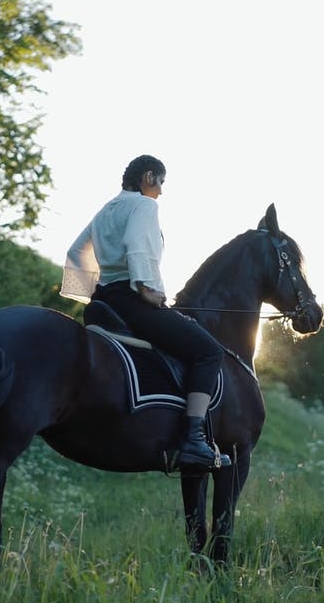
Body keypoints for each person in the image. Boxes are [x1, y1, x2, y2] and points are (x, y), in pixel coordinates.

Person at [61, 154, 231, 469]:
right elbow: (136, 242)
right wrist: (145, 289)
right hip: (133, 300)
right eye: (161, 182)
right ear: (149, 176)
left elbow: (75, 250)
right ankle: (194, 440)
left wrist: (92, 295)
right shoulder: (144, 205)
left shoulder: (106, 209)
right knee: (208, 351)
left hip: (105, 301)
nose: (161, 191)